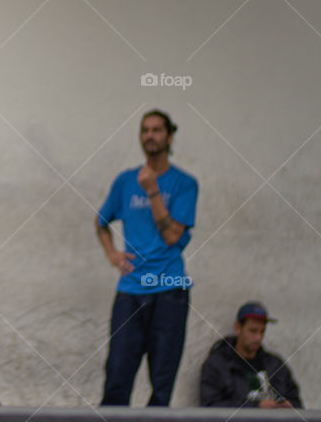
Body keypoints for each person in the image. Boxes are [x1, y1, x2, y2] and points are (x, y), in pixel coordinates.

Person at [95, 109, 198, 406]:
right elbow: (101, 222)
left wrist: (152, 190)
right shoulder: (125, 181)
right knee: (116, 378)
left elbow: (172, 236)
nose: (150, 135)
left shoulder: (185, 183)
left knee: (162, 386)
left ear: (170, 136)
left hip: (170, 293)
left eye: (157, 130)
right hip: (130, 292)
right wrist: (112, 254)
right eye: (145, 130)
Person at [199, 301, 302, 408]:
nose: (258, 337)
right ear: (237, 328)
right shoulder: (217, 365)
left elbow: (297, 404)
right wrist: (258, 406)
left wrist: (288, 406)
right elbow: (211, 407)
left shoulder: (275, 364)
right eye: (253, 331)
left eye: (262, 332)